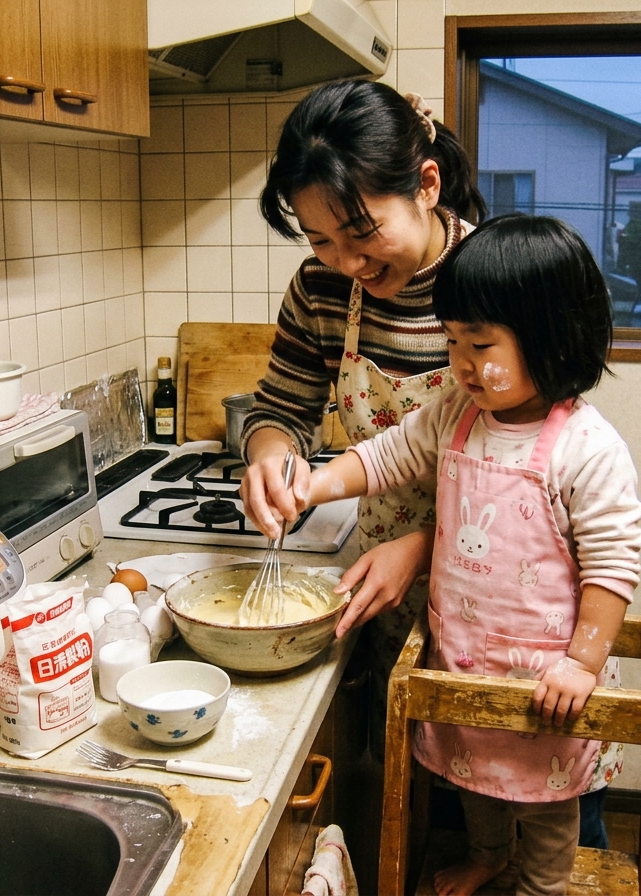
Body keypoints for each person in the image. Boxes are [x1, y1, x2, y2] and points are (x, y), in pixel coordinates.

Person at [249, 214, 641, 896]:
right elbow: (385, 455)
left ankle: (537, 885)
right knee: (475, 791)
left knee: (549, 820)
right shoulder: (457, 414)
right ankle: (489, 856)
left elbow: (613, 567)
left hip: (546, 685)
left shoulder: (587, 447)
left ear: (552, 339)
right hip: (464, 665)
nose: (460, 361)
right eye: (453, 340)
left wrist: (581, 664)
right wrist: (313, 484)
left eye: (480, 343)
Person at [238, 78, 486, 764]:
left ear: (427, 185)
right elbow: (281, 409)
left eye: (362, 232)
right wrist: (271, 456)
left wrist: (427, 548)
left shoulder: (497, 277)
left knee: (522, 788)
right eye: (319, 238)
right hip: (383, 588)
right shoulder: (320, 289)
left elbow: (544, 469)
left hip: (503, 586)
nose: (347, 263)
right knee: (409, 780)